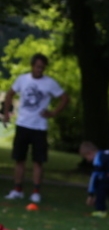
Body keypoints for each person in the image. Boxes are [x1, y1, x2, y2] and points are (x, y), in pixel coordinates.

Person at [2, 53, 69, 204]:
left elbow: (65, 98)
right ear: (32, 66)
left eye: (42, 67)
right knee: (19, 159)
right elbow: (9, 94)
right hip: (23, 124)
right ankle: (17, 189)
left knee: (38, 161)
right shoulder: (22, 79)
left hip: (39, 127)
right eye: (38, 66)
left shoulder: (49, 83)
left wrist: (53, 113)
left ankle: (36, 191)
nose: (40, 70)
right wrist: (6, 113)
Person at [80, 141, 109, 216]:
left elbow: (95, 176)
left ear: (90, 153)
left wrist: (91, 194)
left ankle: (100, 210)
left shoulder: (98, 157)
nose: (87, 160)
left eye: (86, 157)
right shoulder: (107, 154)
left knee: (101, 185)